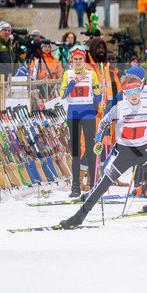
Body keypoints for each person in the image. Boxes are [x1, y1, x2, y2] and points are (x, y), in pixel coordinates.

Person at [57, 74, 147, 229]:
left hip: (143, 152)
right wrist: (98, 141)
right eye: (129, 92)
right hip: (123, 154)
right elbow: (103, 123)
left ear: (141, 89)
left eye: (137, 90)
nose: (134, 95)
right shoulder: (120, 108)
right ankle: (77, 218)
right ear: (124, 93)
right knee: (100, 187)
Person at [58, 47, 101, 197]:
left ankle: (93, 184)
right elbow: (62, 95)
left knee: (90, 149)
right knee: (75, 151)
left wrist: (98, 92)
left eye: (80, 59)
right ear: (72, 60)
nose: (77, 62)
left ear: (84, 60)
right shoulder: (68, 74)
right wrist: (74, 82)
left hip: (88, 113)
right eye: (75, 59)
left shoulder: (91, 74)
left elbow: (98, 97)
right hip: (73, 113)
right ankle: (75, 186)